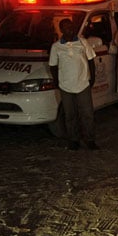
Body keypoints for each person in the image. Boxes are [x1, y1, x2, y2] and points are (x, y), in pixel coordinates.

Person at [49, 18, 98, 150]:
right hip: (66, 86)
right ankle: (74, 140)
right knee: (70, 115)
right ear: (61, 30)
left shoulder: (82, 42)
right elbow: (53, 65)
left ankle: (90, 139)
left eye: (71, 27)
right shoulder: (56, 46)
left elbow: (91, 60)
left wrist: (92, 78)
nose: (70, 29)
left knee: (87, 113)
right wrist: (57, 81)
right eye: (66, 27)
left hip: (82, 83)